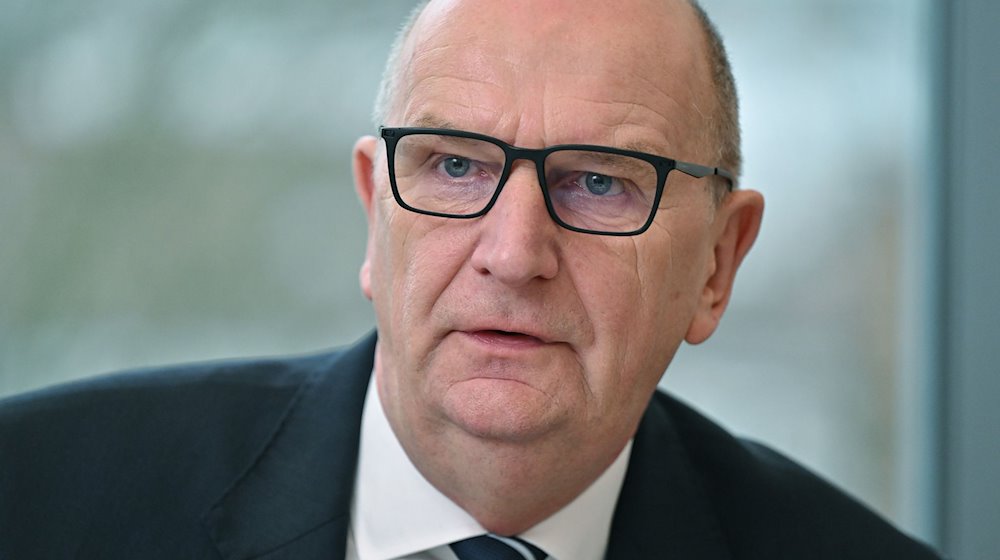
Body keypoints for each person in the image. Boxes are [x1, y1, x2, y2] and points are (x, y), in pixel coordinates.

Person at [0, 0, 942, 558]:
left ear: (716, 266)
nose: (514, 251)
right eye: (456, 167)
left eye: (601, 182)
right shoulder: (36, 499)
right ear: (378, 207)